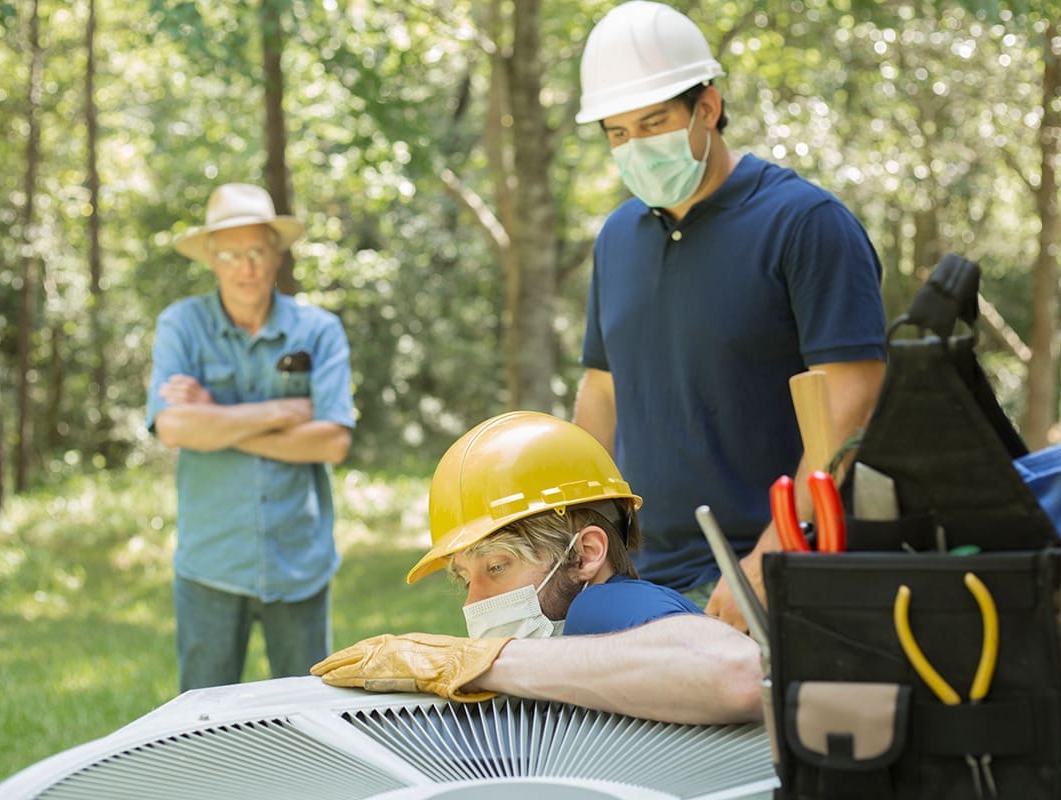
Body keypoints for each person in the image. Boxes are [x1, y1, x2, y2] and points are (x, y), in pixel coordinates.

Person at [570, 1, 887, 623]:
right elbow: (601, 394)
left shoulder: (805, 224)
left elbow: (852, 402)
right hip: (637, 577)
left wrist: (774, 554)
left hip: (764, 575)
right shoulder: (617, 238)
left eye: (654, 123)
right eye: (617, 133)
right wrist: (574, 538)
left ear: (707, 109)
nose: (635, 148)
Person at [312, 411, 762, 725]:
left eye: (497, 565)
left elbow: (740, 673)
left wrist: (483, 662)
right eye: (466, 578)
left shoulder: (605, 606)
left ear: (585, 555)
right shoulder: (583, 631)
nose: (474, 600)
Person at [145, 182, 356, 692]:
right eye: (232, 254)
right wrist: (282, 411)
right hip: (210, 562)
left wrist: (215, 421)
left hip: (299, 559)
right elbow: (172, 426)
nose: (247, 267)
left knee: (310, 715)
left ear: (275, 254)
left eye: (257, 251)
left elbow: (331, 443)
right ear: (211, 259)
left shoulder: (319, 330)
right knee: (202, 722)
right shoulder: (181, 326)